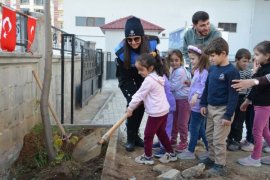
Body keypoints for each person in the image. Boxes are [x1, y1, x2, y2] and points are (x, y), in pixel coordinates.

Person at [115, 16, 160, 152]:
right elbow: (124, 78)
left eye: (136, 39)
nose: (133, 42)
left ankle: (136, 137)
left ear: (142, 36)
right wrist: (134, 96)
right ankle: (130, 138)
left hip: (144, 76)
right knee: (133, 104)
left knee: (142, 105)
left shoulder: (151, 45)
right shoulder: (122, 52)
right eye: (129, 39)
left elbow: (157, 65)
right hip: (127, 77)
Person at [126, 53, 177, 165]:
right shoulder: (158, 76)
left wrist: (130, 108)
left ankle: (148, 157)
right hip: (164, 110)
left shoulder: (149, 80)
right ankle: (171, 153)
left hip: (157, 113)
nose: (139, 72)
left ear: (150, 68)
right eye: (138, 69)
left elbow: (139, 95)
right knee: (161, 133)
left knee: (148, 135)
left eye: (141, 70)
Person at [199, 37, 240, 176]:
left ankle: (220, 164)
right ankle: (211, 158)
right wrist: (203, 103)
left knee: (219, 139)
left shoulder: (232, 71)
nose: (210, 59)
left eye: (212, 56)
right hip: (210, 108)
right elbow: (207, 87)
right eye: (209, 56)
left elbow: (234, 95)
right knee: (209, 136)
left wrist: (228, 115)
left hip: (223, 111)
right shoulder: (212, 69)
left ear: (223, 53)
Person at [237, 41, 270, 167]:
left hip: (264, 105)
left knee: (257, 131)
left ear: (266, 55)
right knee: (265, 130)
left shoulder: (268, 69)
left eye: (256, 54)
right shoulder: (262, 68)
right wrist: (247, 100)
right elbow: (257, 85)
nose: (254, 57)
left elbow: (259, 83)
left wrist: (252, 79)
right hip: (260, 104)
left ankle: (255, 158)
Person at [178, 45, 209, 160]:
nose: (191, 61)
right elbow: (197, 84)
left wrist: (196, 95)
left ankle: (190, 151)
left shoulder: (204, 72)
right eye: (190, 59)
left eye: (193, 59)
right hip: (195, 105)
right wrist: (189, 83)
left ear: (201, 58)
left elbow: (204, 86)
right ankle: (210, 148)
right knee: (200, 128)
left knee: (193, 128)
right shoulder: (197, 71)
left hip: (199, 106)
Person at [227, 49, 254, 152]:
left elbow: (251, 87)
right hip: (231, 99)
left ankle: (236, 140)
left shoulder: (247, 72)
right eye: (244, 61)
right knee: (230, 120)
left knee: (239, 121)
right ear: (236, 60)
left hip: (242, 99)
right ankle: (229, 139)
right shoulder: (231, 70)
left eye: (248, 61)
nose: (246, 63)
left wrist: (247, 99)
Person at [153, 57, 176, 158]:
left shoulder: (161, 78)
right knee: (160, 126)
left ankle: (165, 148)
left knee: (166, 128)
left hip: (168, 106)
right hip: (163, 106)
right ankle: (161, 142)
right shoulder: (159, 76)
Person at [169, 49, 191, 152]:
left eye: (176, 60)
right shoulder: (173, 69)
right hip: (176, 99)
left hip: (184, 100)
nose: (174, 63)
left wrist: (162, 85)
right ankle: (173, 140)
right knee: (174, 121)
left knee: (182, 122)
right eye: (172, 60)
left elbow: (173, 87)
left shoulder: (181, 71)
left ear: (181, 60)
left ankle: (184, 142)